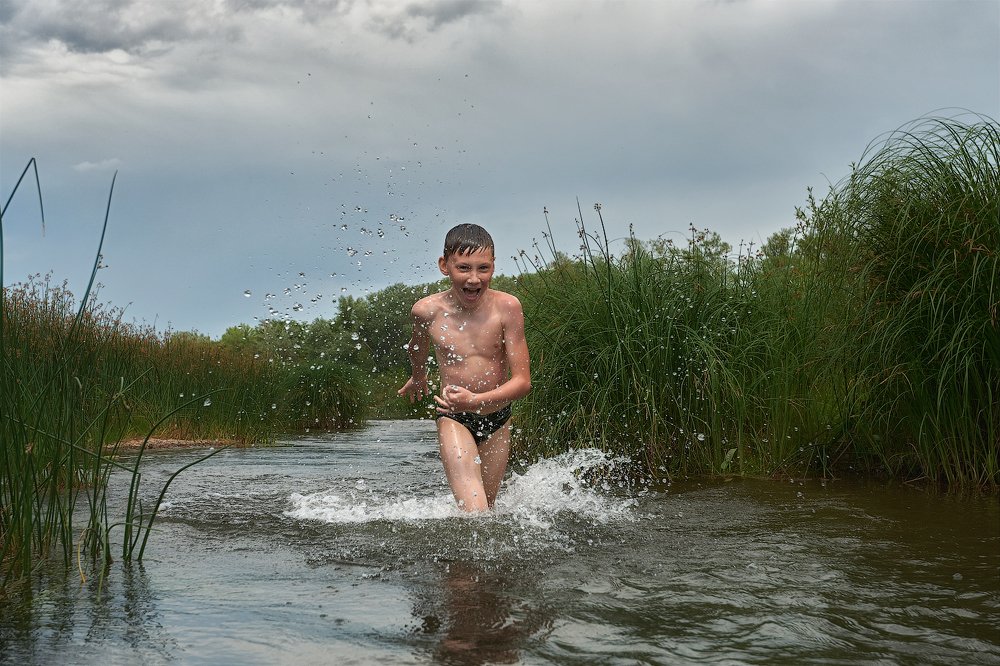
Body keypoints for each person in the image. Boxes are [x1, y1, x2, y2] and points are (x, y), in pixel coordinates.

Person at [398, 224, 531, 512]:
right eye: (463, 268)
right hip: (453, 415)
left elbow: (523, 382)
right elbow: (417, 347)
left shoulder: (507, 307)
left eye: (483, 268)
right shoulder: (426, 311)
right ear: (444, 266)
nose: (474, 279)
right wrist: (418, 376)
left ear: (493, 266)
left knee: (489, 510)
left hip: (498, 416)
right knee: (475, 511)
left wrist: (476, 401)